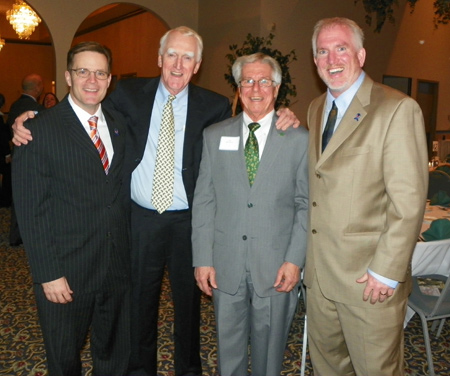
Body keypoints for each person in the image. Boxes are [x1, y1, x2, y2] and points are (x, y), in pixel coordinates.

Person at [11, 26, 299, 376]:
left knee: (189, 305)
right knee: (136, 304)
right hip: (139, 217)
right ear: (160, 59)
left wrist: (285, 115)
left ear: (197, 65)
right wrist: (31, 118)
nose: (179, 64)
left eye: (188, 57)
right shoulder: (128, 93)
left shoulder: (215, 105)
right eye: (172, 55)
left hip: (189, 220)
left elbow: (245, 135)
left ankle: (188, 368)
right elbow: (83, 112)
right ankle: (139, 369)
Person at [304, 17, 428, 376]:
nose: (331, 59)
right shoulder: (315, 108)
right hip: (321, 278)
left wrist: (386, 272)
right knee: (329, 369)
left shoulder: (396, 109)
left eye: (341, 48)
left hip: (368, 281)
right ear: (315, 61)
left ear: (360, 54)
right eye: (322, 51)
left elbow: (408, 202)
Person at [11, 41, 131, 375]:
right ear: (68, 76)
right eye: (83, 71)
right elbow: (31, 210)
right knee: (64, 361)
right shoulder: (37, 130)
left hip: (116, 268)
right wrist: (48, 273)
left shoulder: (121, 124)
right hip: (65, 273)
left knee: (115, 357)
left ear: (109, 80)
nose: (91, 80)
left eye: (100, 72)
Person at [192, 53, 308, 376]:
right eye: (247, 81)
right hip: (224, 265)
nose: (255, 88)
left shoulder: (299, 139)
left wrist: (295, 259)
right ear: (238, 87)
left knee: (269, 356)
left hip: (276, 268)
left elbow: (305, 205)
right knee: (227, 355)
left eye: (264, 81)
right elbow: (204, 201)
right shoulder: (214, 136)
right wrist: (202, 257)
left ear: (276, 87)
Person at [7, 73, 45, 246]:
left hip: (17, 155)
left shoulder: (14, 104)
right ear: (37, 87)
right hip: (34, 160)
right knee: (31, 200)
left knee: (18, 197)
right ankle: (25, 236)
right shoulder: (35, 108)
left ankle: (15, 235)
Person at [0, 93, 12, 207]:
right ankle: (4, 200)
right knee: (7, 175)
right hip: (1, 154)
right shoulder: (1, 119)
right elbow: (3, 138)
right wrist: (8, 154)